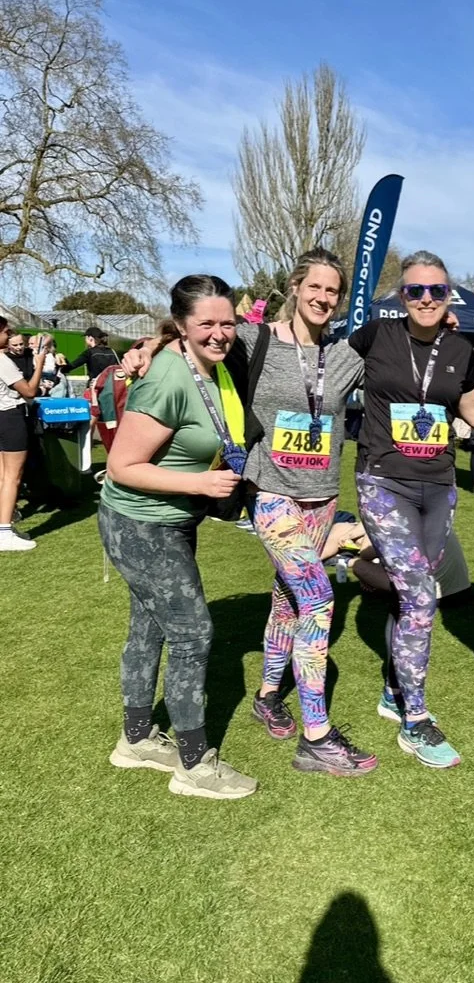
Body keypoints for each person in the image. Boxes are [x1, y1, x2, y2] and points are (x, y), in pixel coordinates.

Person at [122, 248, 379, 779]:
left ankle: (267, 694)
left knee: (288, 598)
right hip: (271, 492)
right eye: (315, 287)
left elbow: (403, 356)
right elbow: (200, 338)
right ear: (295, 287)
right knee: (318, 596)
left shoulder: (348, 354)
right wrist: (150, 346)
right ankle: (318, 737)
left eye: (333, 291)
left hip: (322, 494)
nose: (323, 298)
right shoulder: (255, 340)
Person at [99, 275, 258, 800]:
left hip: (172, 520)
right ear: (183, 324)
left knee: (149, 627)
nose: (219, 333)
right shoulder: (169, 377)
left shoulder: (207, 365)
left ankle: (137, 738)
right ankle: (193, 764)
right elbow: (122, 465)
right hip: (140, 522)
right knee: (193, 633)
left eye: (227, 322)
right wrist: (199, 482)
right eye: (206, 323)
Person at [350, 250, 474, 768]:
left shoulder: (462, 348)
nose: (426, 299)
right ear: (400, 296)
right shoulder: (374, 337)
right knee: (423, 596)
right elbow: (311, 354)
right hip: (384, 482)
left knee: (411, 595)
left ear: (450, 296)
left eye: (436, 291)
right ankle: (416, 719)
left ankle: (391, 689)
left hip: (439, 486)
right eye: (414, 291)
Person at [0, 321, 47, 551]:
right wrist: (39, 364)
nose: (9, 335)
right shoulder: (2, 360)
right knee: (12, 477)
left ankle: (3, 527)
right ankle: (4, 532)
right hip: (9, 416)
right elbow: (29, 391)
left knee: (2, 476)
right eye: (6, 332)